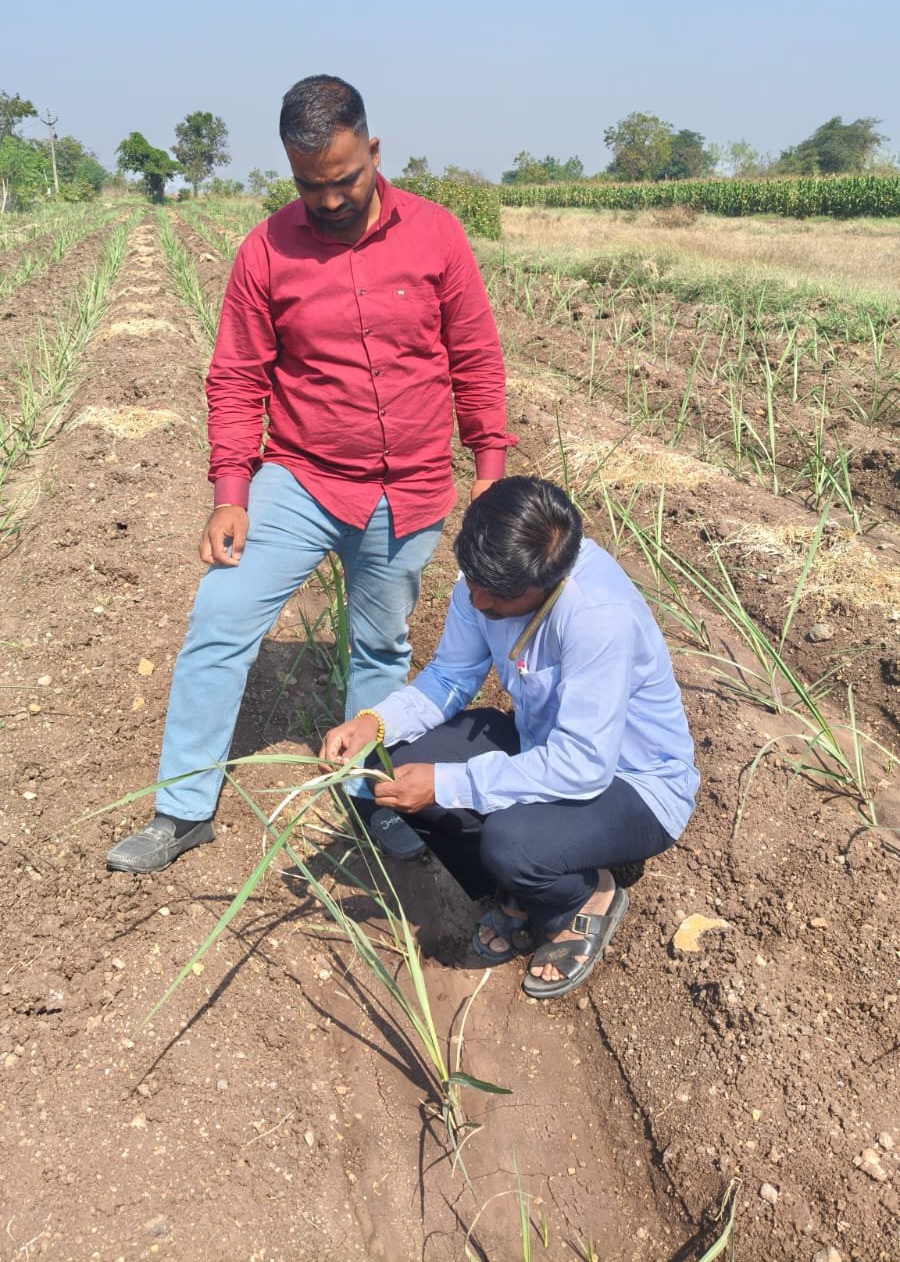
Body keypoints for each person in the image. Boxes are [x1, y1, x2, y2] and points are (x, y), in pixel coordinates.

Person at [106, 75, 513, 874]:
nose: (327, 201)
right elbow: (235, 378)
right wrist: (231, 492)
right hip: (301, 477)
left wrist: (489, 470)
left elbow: (475, 357)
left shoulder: (437, 237)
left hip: (410, 487)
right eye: (308, 185)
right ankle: (183, 808)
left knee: (380, 645)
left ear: (374, 152)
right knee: (219, 618)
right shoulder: (266, 249)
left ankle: (372, 797)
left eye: (344, 180)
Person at [322, 476, 698, 1000]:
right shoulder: (490, 577)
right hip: (542, 747)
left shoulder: (597, 619)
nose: (476, 600)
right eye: (472, 581)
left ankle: (582, 898)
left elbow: (583, 764)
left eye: (497, 596)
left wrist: (448, 783)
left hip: (631, 784)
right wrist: (374, 723)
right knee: (397, 763)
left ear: (548, 581)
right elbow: (450, 677)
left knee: (512, 843)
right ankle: (517, 892)